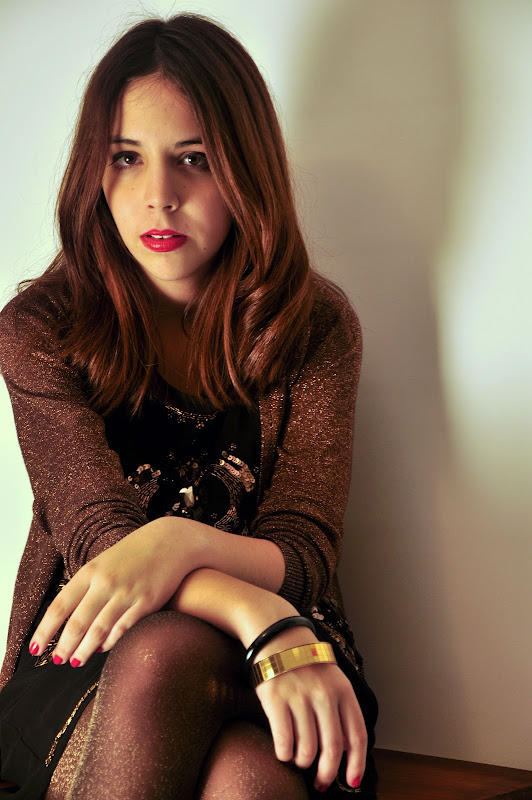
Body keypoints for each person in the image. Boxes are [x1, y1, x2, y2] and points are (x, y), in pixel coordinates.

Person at [0, 13, 378, 800]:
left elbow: (304, 546)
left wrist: (178, 546)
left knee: (242, 760)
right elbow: (102, 541)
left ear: (245, 169)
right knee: (216, 731)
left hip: (280, 650)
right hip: (100, 648)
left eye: (194, 160)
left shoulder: (314, 327)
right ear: (93, 171)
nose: (158, 198)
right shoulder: (38, 331)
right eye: (126, 158)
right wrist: (252, 611)